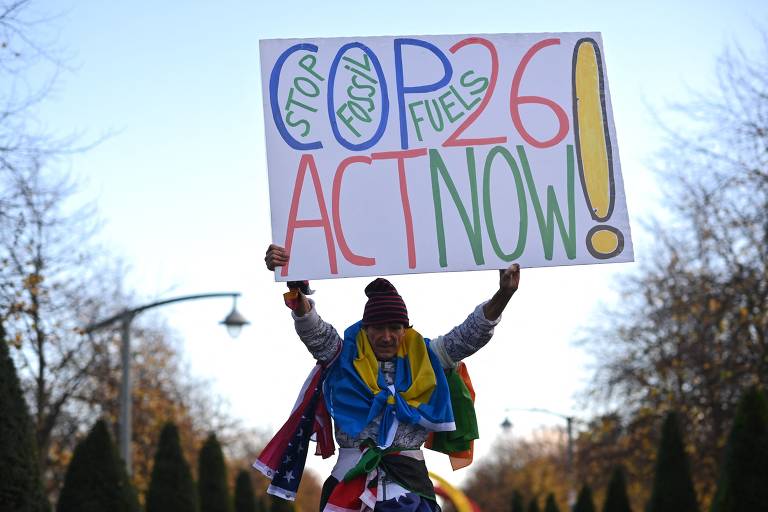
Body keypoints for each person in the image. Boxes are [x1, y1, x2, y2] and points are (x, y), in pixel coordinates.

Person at [256, 244, 520, 512]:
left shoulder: (429, 359)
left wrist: (504, 294)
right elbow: (311, 328)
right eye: (378, 328)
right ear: (365, 328)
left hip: (411, 492)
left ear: (405, 330)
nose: (386, 336)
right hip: (347, 491)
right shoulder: (341, 358)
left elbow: (469, 335)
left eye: (394, 328)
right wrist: (294, 285)